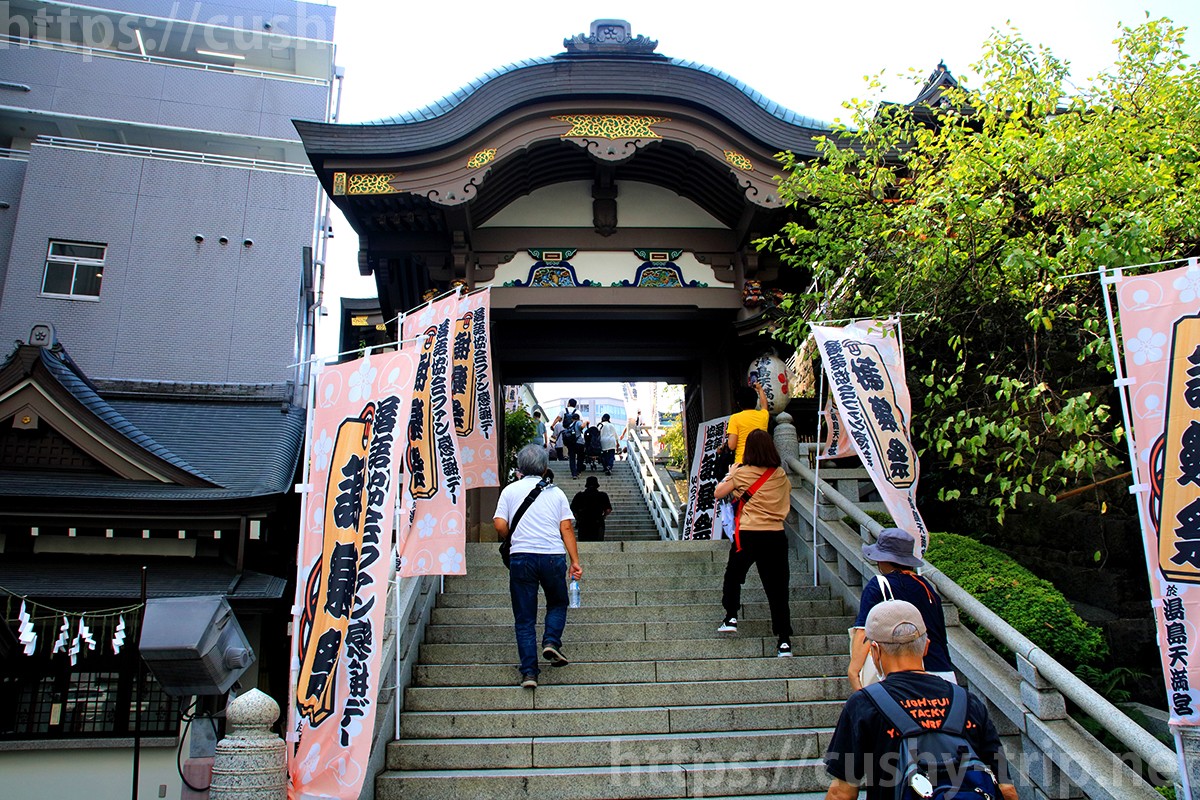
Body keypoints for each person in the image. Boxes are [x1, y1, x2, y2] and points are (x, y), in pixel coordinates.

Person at [823, 600, 1017, 800]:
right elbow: (1007, 789)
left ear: (875, 651)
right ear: (926, 647)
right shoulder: (968, 701)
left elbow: (842, 793)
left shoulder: (863, 704)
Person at [494, 444, 583, 689]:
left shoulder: (510, 491)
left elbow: (500, 526)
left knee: (524, 618)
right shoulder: (556, 493)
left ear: (520, 468)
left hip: (521, 557)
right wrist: (574, 561)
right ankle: (551, 641)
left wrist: (511, 534)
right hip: (552, 556)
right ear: (545, 468)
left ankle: (529, 673)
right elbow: (566, 528)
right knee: (557, 602)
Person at [713, 429, 794, 657]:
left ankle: (731, 617)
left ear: (748, 449)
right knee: (778, 589)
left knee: (734, 576)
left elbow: (719, 493)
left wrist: (730, 474)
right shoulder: (779, 475)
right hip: (776, 535)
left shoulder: (742, 473)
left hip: (748, 534)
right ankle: (784, 640)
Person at [848, 528, 956, 692]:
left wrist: (853, 672)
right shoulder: (926, 587)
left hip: (904, 681)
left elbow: (864, 632)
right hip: (942, 674)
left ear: (883, 559)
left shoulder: (878, 585)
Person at [726, 381, 769, 464]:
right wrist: (760, 389)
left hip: (742, 463)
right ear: (756, 401)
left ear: (739, 403)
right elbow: (764, 406)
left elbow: (731, 445)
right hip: (762, 463)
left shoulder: (735, 418)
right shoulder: (763, 416)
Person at [571, 475, 612, 542]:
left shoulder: (580, 495)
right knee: (598, 544)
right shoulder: (602, 495)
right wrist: (603, 516)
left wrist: (578, 518)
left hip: (583, 523)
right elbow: (608, 509)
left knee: (584, 545)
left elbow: (573, 509)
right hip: (598, 522)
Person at [552, 399, 584, 478]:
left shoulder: (563, 410)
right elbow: (581, 424)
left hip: (568, 436)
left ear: (569, 403)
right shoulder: (578, 412)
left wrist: (552, 425)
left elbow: (558, 418)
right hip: (578, 439)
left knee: (571, 456)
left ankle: (573, 473)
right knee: (580, 456)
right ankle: (578, 470)